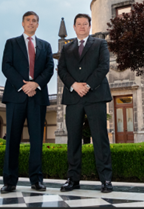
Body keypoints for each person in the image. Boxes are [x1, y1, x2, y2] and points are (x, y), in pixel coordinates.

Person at [58, 13, 113, 193]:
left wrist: (87, 85)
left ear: (90, 26)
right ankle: (73, 179)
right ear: (74, 27)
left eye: (85, 24)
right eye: (79, 24)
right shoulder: (66, 49)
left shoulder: (100, 44)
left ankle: (105, 180)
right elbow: (62, 70)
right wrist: (74, 85)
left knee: (100, 138)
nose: (82, 27)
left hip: (95, 95)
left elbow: (104, 66)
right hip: (73, 97)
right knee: (73, 139)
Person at [0, 11, 54, 193]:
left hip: (37, 97)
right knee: (12, 139)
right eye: (28, 20)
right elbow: (6, 66)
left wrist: (35, 84)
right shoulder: (11, 43)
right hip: (16, 96)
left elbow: (49, 68)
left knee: (37, 140)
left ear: (38, 25)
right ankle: (9, 181)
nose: (31, 23)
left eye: (35, 21)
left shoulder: (46, 46)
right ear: (22, 23)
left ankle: (36, 180)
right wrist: (23, 86)